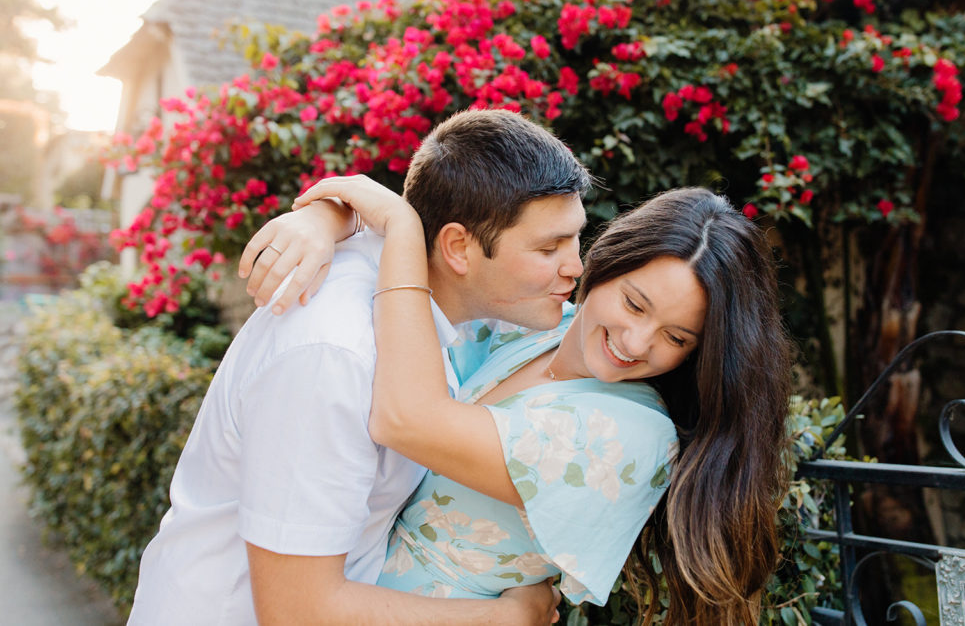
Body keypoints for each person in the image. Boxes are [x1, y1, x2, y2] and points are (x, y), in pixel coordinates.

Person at [127, 109, 593, 625]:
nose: (574, 266)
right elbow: (298, 611)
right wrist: (508, 620)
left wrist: (334, 210)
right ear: (458, 247)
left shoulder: (439, 299)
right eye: (549, 248)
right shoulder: (334, 351)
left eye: (574, 239)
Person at [265, 176, 791, 625]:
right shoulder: (538, 328)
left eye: (676, 338)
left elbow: (406, 418)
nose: (635, 343)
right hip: (351, 592)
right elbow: (442, 274)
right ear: (606, 261)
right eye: (633, 304)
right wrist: (328, 220)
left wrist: (399, 224)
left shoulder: (635, 436)